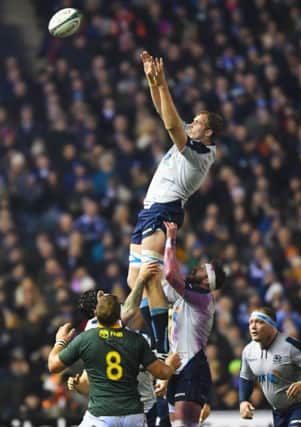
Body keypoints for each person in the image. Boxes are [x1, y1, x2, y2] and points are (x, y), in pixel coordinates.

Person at [128, 50, 224, 367]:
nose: (191, 124)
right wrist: (152, 80)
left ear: (207, 132)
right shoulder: (193, 141)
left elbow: (170, 124)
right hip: (149, 211)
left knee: (150, 276)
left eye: (196, 123)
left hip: (164, 210)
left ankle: (158, 346)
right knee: (133, 282)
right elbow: (165, 114)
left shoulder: (200, 151)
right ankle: (153, 335)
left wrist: (163, 82)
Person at [48, 292, 181, 427]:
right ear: (119, 315)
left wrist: (60, 342)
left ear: (97, 314)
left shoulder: (87, 339)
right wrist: (171, 365)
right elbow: (162, 373)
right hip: (133, 415)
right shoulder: (136, 340)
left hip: (102, 414)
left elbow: (53, 366)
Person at [68, 263, 163, 426]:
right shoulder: (96, 327)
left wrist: (78, 385)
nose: (106, 296)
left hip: (138, 405)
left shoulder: (130, 337)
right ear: (98, 311)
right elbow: (130, 309)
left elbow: (89, 378)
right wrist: (140, 279)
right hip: (133, 408)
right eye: (102, 298)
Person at [161, 222, 223, 427]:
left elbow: (170, 274)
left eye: (203, 269)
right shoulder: (185, 296)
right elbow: (164, 279)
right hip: (177, 368)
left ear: (207, 281)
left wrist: (170, 238)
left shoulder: (204, 298)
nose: (198, 267)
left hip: (192, 367)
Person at [239, 307, 301, 427]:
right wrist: (243, 401)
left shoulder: (290, 346)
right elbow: (245, 377)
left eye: (259, 322)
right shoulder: (248, 351)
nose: (253, 326)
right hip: (278, 411)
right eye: (251, 322)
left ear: (272, 325)